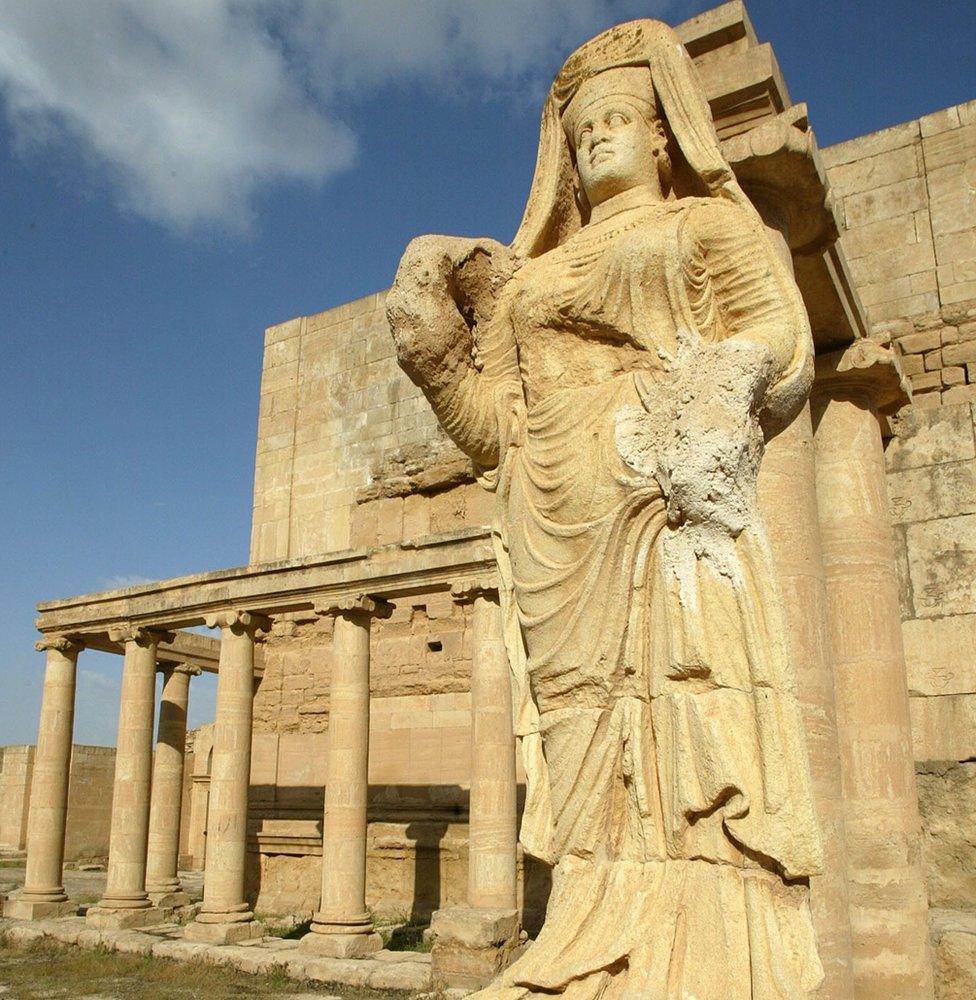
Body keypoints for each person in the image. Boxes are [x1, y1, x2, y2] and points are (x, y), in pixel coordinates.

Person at [388, 19, 825, 998]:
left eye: (618, 119)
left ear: (665, 132)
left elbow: (777, 342)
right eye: (581, 132)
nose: (597, 141)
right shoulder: (532, 280)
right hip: (555, 528)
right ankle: (589, 937)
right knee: (581, 748)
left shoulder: (704, 226)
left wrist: (721, 385)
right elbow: (498, 427)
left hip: (662, 502)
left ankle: (710, 960)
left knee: (693, 720)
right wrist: (434, 360)